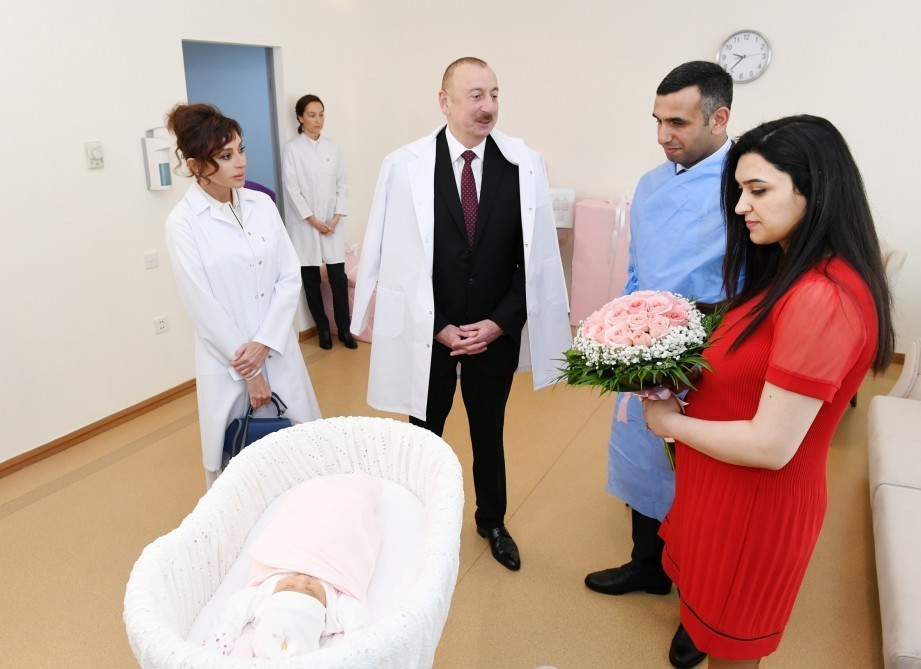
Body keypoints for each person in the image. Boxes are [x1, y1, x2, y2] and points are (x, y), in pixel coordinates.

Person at [643, 115, 894, 668]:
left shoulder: (823, 297)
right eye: (740, 191)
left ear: (815, 190)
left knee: (732, 654)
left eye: (758, 191)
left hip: (753, 508)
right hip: (720, 490)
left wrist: (669, 423)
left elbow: (772, 445)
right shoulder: (788, 270)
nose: (741, 207)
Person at [350, 57, 571, 571]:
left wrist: (498, 323)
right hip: (429, 334)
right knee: (423, 433)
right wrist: (437, 327)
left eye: (494, 94)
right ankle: (416, 520)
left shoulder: (523, 164)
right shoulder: (404, 166)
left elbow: (534, 259)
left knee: (488, 433)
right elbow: (396, 259)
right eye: (475, 95)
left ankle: (491, 520)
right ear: (444, 101)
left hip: (493, 331)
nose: (487, 106)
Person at [583, 61, 733, 668]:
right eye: (657, 120)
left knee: (700, 483)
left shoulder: (743, 185)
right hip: (646, 344)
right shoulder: (649, 185)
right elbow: (638, 268)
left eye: (679, 122)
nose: (663, 135)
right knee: (643, 458)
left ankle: (699, 609)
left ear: (719, 119)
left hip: (711, 352)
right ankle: (647, 566)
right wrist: (624, 335)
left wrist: (698, 340)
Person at [164, 103, 322, 488]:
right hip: (228, 363)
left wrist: (264, 343)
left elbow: (289, 275)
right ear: (197, 165)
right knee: (238, 470)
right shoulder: (183, 223)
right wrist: (250, 371)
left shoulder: (261, 204)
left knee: (303, 452)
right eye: (225, 156)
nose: (241, 162)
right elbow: (202, 306)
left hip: (277, 348)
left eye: (241, 150)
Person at [204, 472, 382, 658]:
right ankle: (359, 490)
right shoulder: (334, 610)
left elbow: (235, 611)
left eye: (289, 587)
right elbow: (359, 624)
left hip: (289, 552)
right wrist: (359, 654)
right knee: (347, 518)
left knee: (299, 519)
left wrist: (220, 641)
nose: (302, 581)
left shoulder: (264, 596)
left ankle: (317, 492)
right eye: (312, 592)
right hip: (333, 559)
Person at [282, 94, 355, 350]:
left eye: (321, 114)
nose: (318, 120)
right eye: (312, 115)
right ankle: (323, 330)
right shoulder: (292, 149)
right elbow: (292, 190)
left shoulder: (333, 148)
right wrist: (312, 220)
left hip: (332, 224)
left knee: (338, 279)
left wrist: (335, 218)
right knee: (310, 280)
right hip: (305, 225)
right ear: (300, 118)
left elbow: (342, 184)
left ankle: (344, 329)